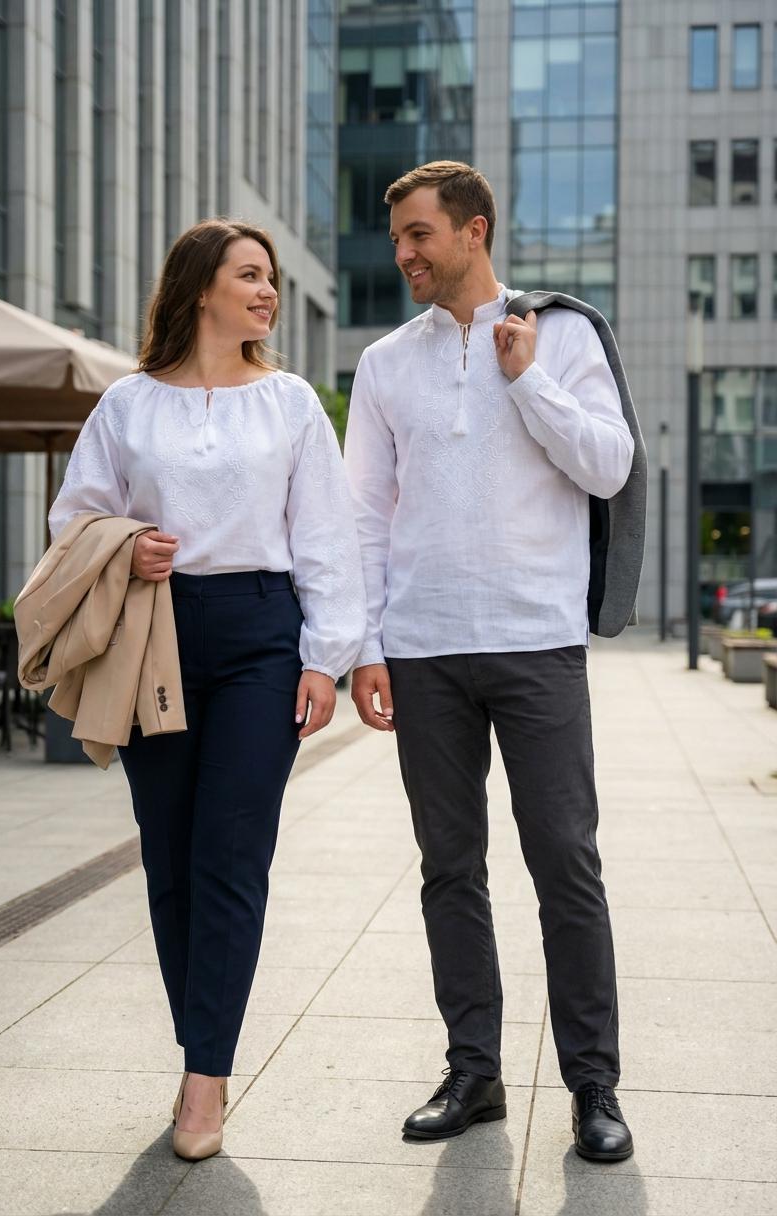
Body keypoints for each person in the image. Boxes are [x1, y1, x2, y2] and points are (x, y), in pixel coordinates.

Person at [48, 218, 365, 1161]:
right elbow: (74, 518)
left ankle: (205, 1077)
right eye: (252, 275)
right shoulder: (128, 406)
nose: (268, 292)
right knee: (171, 860)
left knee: (232, 854)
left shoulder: (294, 403)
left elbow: (326, 537)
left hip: (262, 640)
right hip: (152, 636)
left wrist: (325, 658)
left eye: (269, 277)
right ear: (199, 291)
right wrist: (124, 542)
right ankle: (203, 1045)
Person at [344, 161, 636, 1162]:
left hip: (535, 642)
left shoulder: (562, 336)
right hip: (424, 650)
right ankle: (474, 1071)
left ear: (474, 230)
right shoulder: (384, 362)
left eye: (420, 234)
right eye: (397, 239)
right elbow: (364, 517)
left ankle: (594, 1085)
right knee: (448, 868)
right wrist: (365, 646)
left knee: (565, 862)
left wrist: (528, 377)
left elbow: (609, 463)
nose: (405, 254)